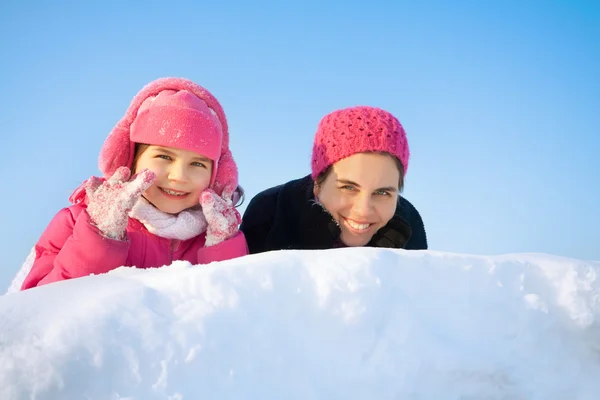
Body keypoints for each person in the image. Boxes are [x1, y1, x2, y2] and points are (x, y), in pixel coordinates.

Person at [20, 77, 247, 290]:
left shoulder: (218, 236)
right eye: (164, 157)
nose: (179, 176)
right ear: (131, 160)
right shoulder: (77, 222)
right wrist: (100, 237)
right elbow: (39, 308)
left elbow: (234, 310)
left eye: (198, 164)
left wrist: (222, 247)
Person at [240, 105, 427, 253]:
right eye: (348, 187)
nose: (363, 210)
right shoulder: (270, 212)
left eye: (382, 192)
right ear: (318, 183)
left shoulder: (408, 227)